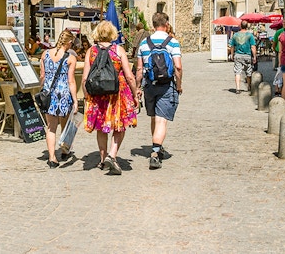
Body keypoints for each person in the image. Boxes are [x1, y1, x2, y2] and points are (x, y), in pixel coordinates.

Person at [82, 20, 138, 175]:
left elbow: (85, 79)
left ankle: (102, 159)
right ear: (113, 33)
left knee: (101, 127)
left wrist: (87, 97)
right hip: (117, 94)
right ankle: (112, 155)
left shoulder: (91, 51)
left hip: (98, 94)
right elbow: (129, 76)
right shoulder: (118, 50)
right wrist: (135, 94)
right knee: (119, 125)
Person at [135, 12, 183, 170]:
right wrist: (179, 84)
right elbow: (178, 66)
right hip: (166, 85)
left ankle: (157, 145)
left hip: (149, 85)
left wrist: (137, 88)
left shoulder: (144, 43)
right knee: (161, 120)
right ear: (166, 24)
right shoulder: (173, 42)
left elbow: (140, 69)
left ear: (153, 24)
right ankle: (155, 153)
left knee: (154, 118)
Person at [39, 29, 78, 168]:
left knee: (51, 127)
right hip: (63, 95)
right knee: (65, 125)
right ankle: (64, 150)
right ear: (68, 42)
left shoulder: (45, 54)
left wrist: (42, 89)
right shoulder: (70, 58)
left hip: (49, 95)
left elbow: (42, 76)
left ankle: (51, 157)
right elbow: (71, 81)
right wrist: (75, 100)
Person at [229, 20, 256, 94]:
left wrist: (232, 55)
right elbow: (253, 47)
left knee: (237, 72)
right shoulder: (250, 35)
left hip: (238, 55)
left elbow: (232, 46)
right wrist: (254, 57)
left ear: (240, 26)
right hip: (247, 55)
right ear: (247, 26)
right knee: (249, 72)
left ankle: (238, 88)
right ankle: (249, 87)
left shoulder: (235, 35)